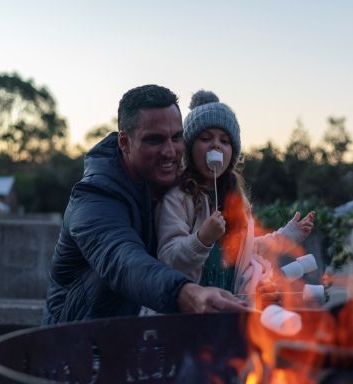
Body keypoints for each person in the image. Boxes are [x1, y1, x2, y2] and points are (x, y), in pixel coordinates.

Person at [42, 85, 246, 324]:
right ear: (124, 142)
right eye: (154, 140)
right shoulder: (93, 198)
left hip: (144, 337)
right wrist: (185, 293)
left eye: (176, 137)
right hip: (79, 342)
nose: (170, 151)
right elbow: (124, 262)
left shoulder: (180, 188)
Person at [155, 90, 314, 304]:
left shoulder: (237, 202)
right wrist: (202, 239)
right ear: (189, 149)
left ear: (232, 154)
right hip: (189, 310)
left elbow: (249, 251)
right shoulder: (178, 199)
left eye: (225, 140)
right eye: (205, 138)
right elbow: (168, 259)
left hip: (230, 305)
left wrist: (287, 236)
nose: (216, 145)